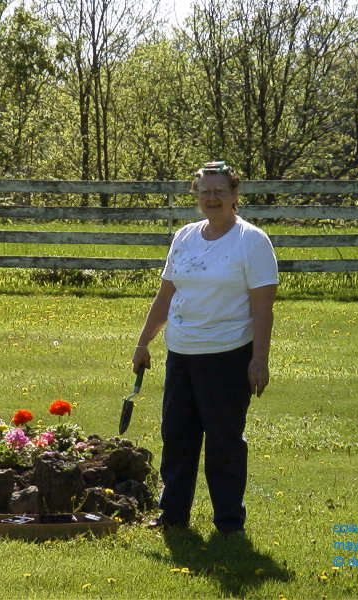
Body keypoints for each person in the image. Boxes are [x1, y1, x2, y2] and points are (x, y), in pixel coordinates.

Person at [132, 160, 278, 534]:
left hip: (228, 355)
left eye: (220, 192)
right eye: (205, 191)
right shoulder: (185, 236)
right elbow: (167, 293)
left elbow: (263, 307)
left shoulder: (252, 241)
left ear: (234, 196)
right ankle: (173, 516)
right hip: (182, 353)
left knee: (224, 442)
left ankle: (229, 522)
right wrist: (143, 340)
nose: (212, 198)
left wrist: (259, 360)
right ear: (195, 194)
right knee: (177, 436)